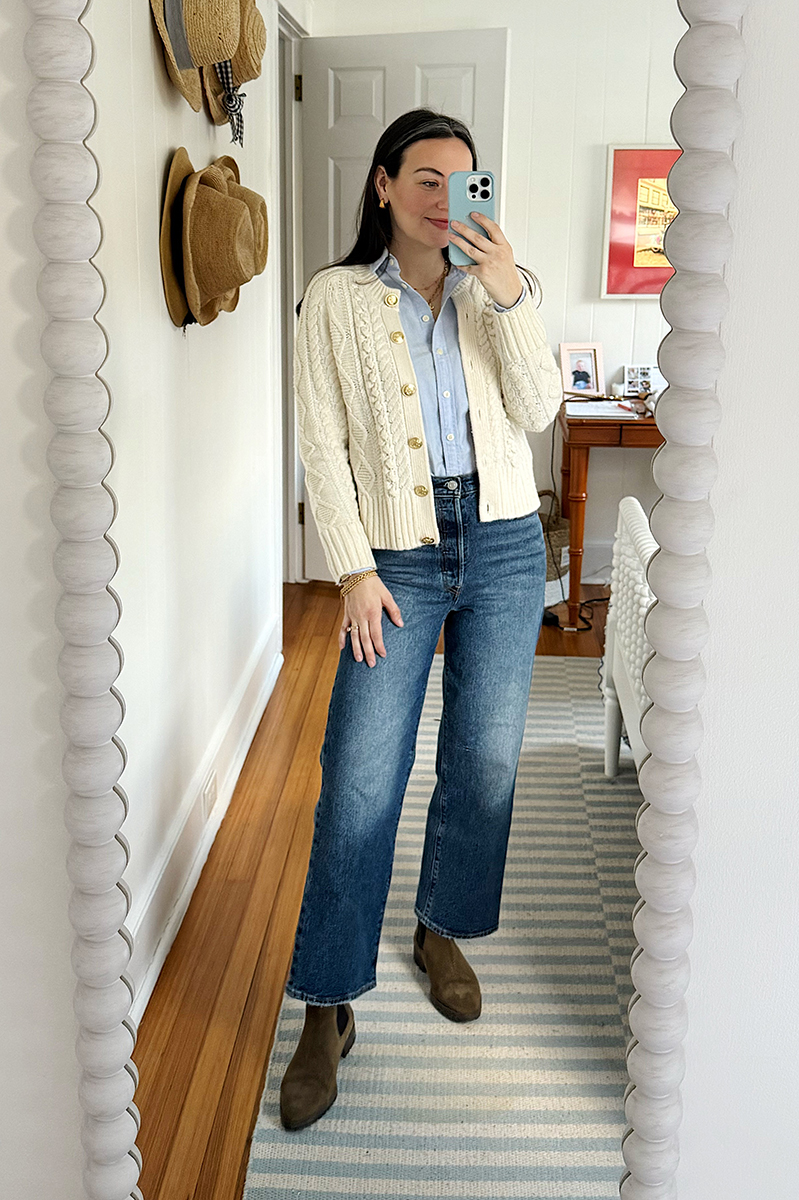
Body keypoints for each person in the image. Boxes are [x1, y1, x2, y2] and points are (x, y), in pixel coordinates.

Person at [279, 108, 564, 1131]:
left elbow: (537, 412)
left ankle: (441, 929)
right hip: (393, 554)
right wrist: (350, 568)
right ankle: (328, 1002)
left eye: (465, 183)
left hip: (498, 540)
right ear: (384, 188)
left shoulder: (497, 292)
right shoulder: (336, 299)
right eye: (428, 181)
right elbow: (321, 442)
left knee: (483, 761)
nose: (448, 201)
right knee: (358, 775)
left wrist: (512, 294)